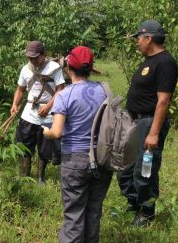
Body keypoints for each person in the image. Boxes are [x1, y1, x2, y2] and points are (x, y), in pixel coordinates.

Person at [43, 46, 112, 243]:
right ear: (90, 68)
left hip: (75, 160)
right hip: (102, 157)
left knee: (74, 213)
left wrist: (45, 132)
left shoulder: (64, 95)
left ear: (68, 68)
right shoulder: (104, 90)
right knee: (94, 211)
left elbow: (56, 132)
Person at [118, 20, 178, 226]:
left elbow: (163, 100)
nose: (137, 42)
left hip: (149, 122)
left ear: (149, 38)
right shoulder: (148, 61)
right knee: (125, 167)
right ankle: (133, 203)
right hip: (134, 121)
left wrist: (154, 132)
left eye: (138, 38)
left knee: (145, 169)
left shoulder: (165, 62)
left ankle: (146, 211)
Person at [10, 40, 65, 184]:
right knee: (24, 146)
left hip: (48, 115)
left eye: (35, 57)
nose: (32, 60)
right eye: (29, 57)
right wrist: (15, 104)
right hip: (28, 114)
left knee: (44, 149)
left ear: (43, 54)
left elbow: (60, 90)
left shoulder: (54, 68)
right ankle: (24, 176)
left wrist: (48, 106)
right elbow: (20, 89)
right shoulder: (25, 69)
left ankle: (41, 177)